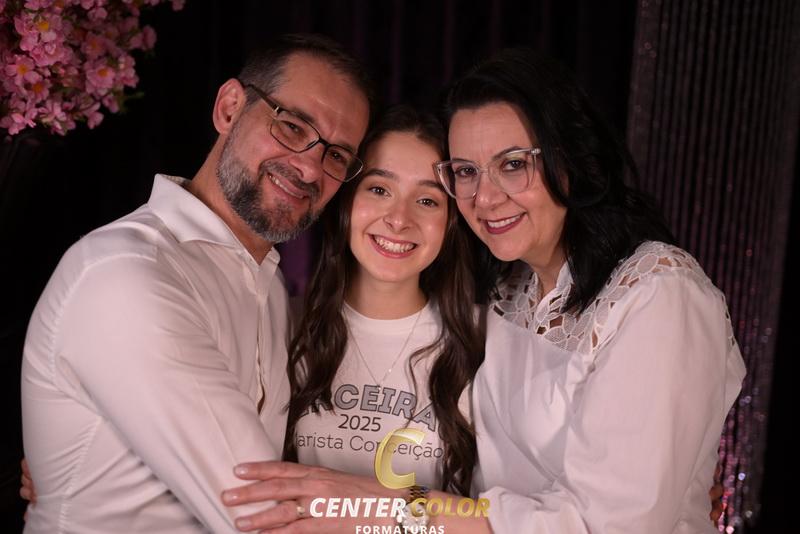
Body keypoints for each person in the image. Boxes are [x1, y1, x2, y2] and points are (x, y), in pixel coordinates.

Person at [218, 49, 745, 534]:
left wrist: (373, 505)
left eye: (513, 164)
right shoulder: (506, 296)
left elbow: (610, 525)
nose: (486, 197)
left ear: (567, 156)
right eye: (467, 171)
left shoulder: (658, 293)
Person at [20, 33, 371, 533]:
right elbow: (267, 517)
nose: (310, 168)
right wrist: (461, 517)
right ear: (229, 108)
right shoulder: (125, 273)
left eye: (336, 156)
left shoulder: (271, 288)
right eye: (292, 126)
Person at [284, 105, 483, 497]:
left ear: (450, 221)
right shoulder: (286, 322)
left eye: (427, 200)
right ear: (346, 201)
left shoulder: (483, 338)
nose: (399, 219)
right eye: (379, 190)